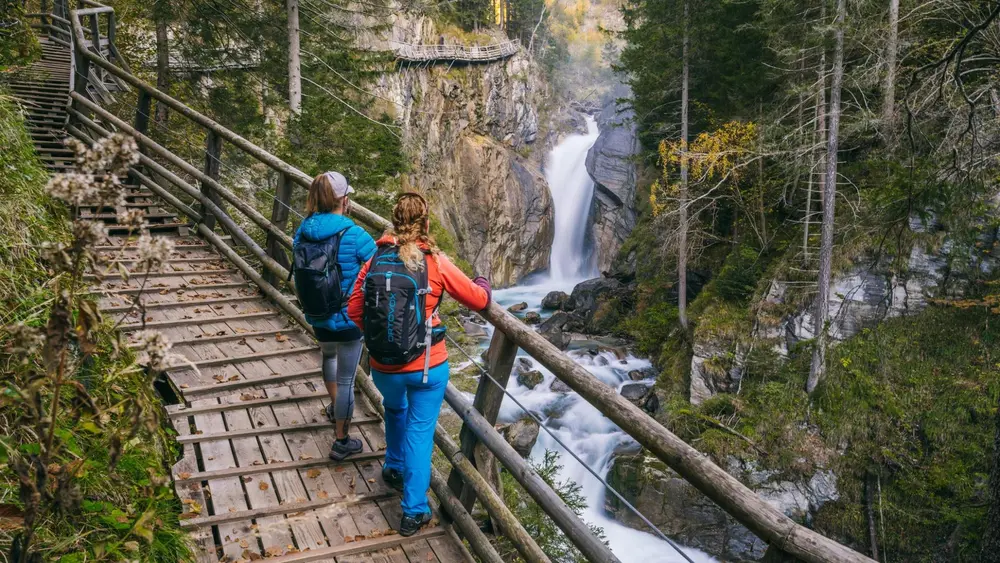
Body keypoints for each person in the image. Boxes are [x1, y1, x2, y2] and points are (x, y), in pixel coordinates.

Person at [348, 192, 491, 537]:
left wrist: (383, 336)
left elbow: (353, 310)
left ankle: (393, 466)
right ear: (425, 224)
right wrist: (483, 281)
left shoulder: (376, 257)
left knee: (395, 409)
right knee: (420, 432)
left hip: (384, 366)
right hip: (427, 367)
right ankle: (413, 510)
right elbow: (478, 299)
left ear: (394, 221)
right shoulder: (435, 262)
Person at [292, 171, 376, 461]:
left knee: (328, 358)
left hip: (317, 313)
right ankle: (342, 440)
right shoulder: (353, 233)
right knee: (346, 380)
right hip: (349, 318)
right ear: (344, 200)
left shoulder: (303, 230)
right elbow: (378, 265)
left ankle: (335, 406)